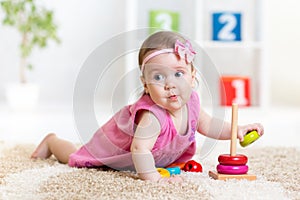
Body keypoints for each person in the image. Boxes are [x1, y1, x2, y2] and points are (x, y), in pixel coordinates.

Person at [31, 31, 264, 183]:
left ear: (193, 77)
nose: (170, 84)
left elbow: (208, 124)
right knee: (76, 156)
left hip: (159, 156)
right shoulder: (152, 117)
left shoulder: (192, 101)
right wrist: (151, 176)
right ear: (145, 84)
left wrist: (237, 129)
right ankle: (52, 141)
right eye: (159, 78)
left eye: (178, 74)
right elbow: (140, 150)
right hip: (114, 147)